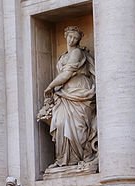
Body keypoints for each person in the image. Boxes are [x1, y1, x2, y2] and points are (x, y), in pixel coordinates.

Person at [38, 26, 96, 169]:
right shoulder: (63, 56)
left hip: (79, 91)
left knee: (79, 126)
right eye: (70, 37)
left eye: (76, 38)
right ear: (65, 36)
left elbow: (67, 74)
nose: (73, 40)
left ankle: (79, 157)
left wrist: (50, 86)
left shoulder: (77, 53)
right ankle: (63, 159)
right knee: (60, 123)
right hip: (64, 93)